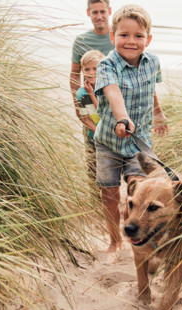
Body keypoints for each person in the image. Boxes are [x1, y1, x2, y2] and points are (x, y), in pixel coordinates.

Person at [93, 4, 168, 252]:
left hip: (140, 140)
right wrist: (122, 118)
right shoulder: (106, 65)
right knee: (110, 192)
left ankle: (138, 229)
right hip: (109, 141)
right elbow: (113, 92)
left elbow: (151, 90)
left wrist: (158, 113)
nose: (131, 41)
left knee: (140, 187)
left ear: (148, 39)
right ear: (113, 36)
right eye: (124, 35)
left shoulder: (153, 62)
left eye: (138, 36)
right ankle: (114, 241)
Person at [70, 0, 114, 185]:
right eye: (94, 12)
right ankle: (96, 203)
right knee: (93, 159)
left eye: (102, 11)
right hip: (88, 103)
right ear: (88, 13)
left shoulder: (117, 37)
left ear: (109, 11)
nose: (99, 16)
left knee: (116, 161)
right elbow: (74, 74)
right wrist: (78, 106)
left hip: (113, 106)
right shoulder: (81, 41)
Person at [76, 49, 105, 181]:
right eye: (87, 69)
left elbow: (104, 112)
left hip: (109, 134)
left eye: (95, 68)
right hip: (93, 135)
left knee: (108, 169)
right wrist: (96, 132)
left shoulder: (107, 88)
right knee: (93, 168)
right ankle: (95, 199)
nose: (91, 72)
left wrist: (92, 94)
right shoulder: (82, 93)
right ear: (82, 70)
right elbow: (85, 118)